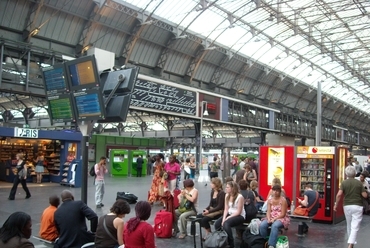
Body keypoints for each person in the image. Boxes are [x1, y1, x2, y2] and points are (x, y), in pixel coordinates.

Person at [334, 166, 367, 248]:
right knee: (355, 226)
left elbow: (339, 195)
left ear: (346, 174)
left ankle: (350, 244)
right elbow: (365, 195)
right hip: (358, 205)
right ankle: (350, 244)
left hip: (347, 206)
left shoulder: (344, 183)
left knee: (349, 225)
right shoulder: (359, 183)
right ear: (355, 173)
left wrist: (336, 204)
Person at [214, 181, 245, 248]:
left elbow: (239, 211)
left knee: (226, 224)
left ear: (232, 188)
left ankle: (231, 243)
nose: (226, 188)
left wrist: (228, 218)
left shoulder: (240, 197)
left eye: (227, 187)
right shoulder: (227, 195)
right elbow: (226, 209)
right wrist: (223, 218)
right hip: (230, 213)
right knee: (217, 224)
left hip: (239, 216)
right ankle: (222, 240)